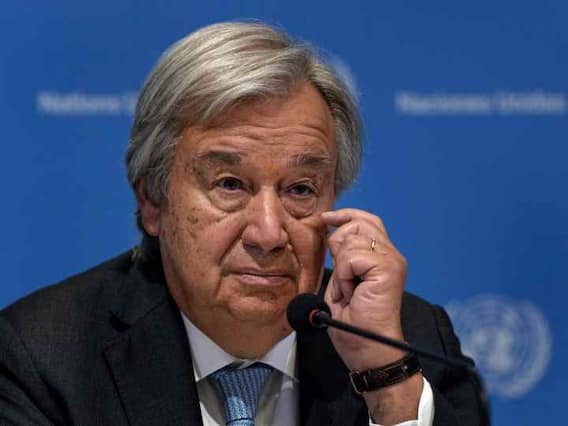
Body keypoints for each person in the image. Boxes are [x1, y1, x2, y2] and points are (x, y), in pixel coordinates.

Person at [0, 21, 487, 425]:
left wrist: (388, 385)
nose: (269, 234)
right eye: (230, 184)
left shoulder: (409, 341)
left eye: (301, 189)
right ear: (153, 202)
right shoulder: (44, 358)